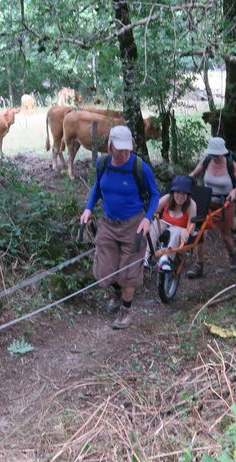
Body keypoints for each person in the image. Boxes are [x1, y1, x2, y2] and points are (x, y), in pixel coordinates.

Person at [80, 125, 160, 330]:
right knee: (104, 270)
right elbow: (97, 187)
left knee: (129, 271)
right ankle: (117, 293)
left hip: (134, 225)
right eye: (120, 149)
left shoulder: (140, 167)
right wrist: (88, 209)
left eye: (127, 149)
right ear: (110, 146)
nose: (124, 153)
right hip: (108, 223)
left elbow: (155, 195)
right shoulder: (103, 164)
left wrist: (148, 219)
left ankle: (126, 309)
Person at [187, 137, 236, 278]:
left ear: (223, 153)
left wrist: (234, 191)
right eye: (213, 154)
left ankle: (232, 256)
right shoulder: (206, 161)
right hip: (206, 201)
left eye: (218, 155)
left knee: (225, 236)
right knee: (200, 233)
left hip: (225, 202)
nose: (215, 157)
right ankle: (199, 265)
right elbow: (193, 174)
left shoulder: (231, 164)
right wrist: (184, 184)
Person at [146, 175, 197, 271]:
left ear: (188, 194)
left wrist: (186, 231)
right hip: (164, 224)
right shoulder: (168, 198)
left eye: (184, 193)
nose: (180, 196)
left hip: (179, 229)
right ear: (173, 192)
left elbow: (191, 227)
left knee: (177, 231)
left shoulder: (191, 205)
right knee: (154, 226)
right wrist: (147, 220)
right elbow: (152, 209)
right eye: (178, 192)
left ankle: (167, 259)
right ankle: (147, 256)